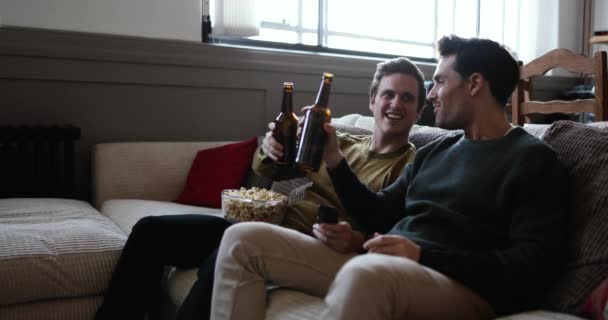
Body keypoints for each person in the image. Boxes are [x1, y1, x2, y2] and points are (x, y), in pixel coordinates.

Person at [210, 35, 572, 320]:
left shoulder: (532, 161)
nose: (431, 95)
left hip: (461, 286)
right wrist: (335, 160)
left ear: (475, 84)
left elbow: (531, 266)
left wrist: (422, 255)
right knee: (244, 240)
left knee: (367, 275)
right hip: (386, 265)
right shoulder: (437, 152)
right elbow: (379, 214)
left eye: (439, 82)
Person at [94, 56, 426, 320]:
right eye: (388, 94)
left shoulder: (412, 166)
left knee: (222, 257)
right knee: (151, 231)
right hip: (266, 222)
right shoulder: (343, 140)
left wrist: (357, 240)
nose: (396, 104)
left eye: (407, 98)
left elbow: (390, 226)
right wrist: (269, 150)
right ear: (372, 101)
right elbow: (277, 173)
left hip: (302, 246)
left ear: (419, 111)